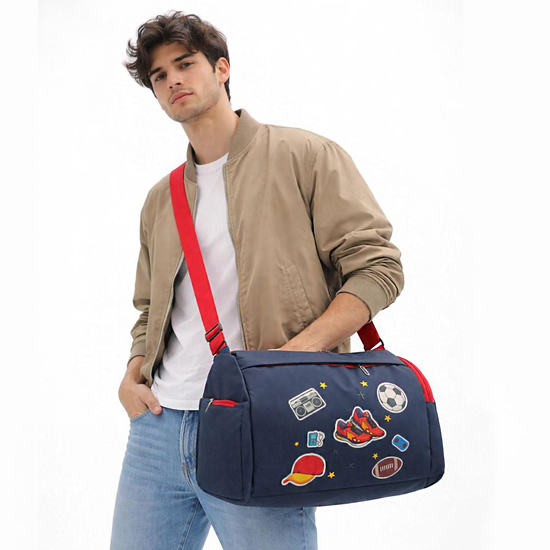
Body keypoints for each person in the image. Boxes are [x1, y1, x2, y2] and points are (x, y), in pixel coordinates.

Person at [110, 10, 405, 550]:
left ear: (221, 68)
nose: (173, 80)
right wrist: (133, 375)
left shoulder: (305, 156)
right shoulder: (161, 198)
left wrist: (294, 357)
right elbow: (150, 308)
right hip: (158, 428)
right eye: (159, 75)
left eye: (185, 64)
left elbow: (378, 268)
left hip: (264, 419)